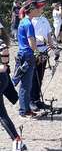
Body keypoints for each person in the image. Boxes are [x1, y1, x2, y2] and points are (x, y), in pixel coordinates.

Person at [13, 0, 44, 117]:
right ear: (31, 10)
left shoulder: (24, 21)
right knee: (26, 85)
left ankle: (25, 109)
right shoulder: (28, 23)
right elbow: (32, 43)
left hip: (24, 54)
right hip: (27, 55)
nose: (39, 10)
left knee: (26, 84)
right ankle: (24, 111)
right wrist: (37, 53)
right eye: (37, 8)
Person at [0, 22, 28, 150]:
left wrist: (3, 65)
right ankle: (18, 141)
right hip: (3, 79)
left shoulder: (1, 43)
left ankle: (17, 141)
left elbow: (4, 65)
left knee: (1, 114)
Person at [30, 0, 53, 111]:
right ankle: (31, 101)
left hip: (44, 52)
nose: (42, 9)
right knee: (33, 77)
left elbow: (48, 33)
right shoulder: (30, 21)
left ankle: (37, 100)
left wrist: (52, 44)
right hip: (35, 52)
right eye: (41, 7)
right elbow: (31, 37)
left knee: (40, 76)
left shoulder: (44, 20)